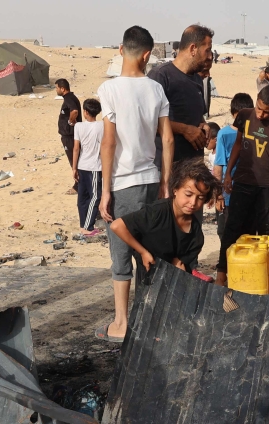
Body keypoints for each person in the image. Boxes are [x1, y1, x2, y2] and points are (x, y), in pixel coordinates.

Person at [97, 25, 174, 344]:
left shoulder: (109, 89)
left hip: (123, 184)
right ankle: (147, 318)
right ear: (146, 55)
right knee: (148, 250)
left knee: (120, 253)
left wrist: (104, 190)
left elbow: (109, 143)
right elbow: (167, 138)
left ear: (120, 50)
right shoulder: (156, 90)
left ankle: (121, 322)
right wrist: (166, 182)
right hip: (151, 180)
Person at [217, 85, 269, 286]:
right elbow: (238, 145)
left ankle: (262, 277)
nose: (261, 113)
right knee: (233, 228)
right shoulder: (245, 116)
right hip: (242, 182)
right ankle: (222, 274)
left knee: (264, 233)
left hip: (266, 186)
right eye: (259, 108)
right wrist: (228, 173)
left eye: (266, 111)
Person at [110, 157, 219, 279]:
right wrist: (143, 252)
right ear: (175, 190)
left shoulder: (196, 234)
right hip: (149, 273)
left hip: (170, 277)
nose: (193, 202)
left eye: (200, 198)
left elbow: (183, 260)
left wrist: (179, 264)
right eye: (188, 194)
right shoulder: (157, 212)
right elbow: (117, 226)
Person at [149, 25, 212, 166]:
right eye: (207, 50)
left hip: (192, 167)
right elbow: (148, 121)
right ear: (193, 49)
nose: (209, 56)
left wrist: (203, 125)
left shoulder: (197, 79)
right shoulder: (160, 76)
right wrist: (185, 130)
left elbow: (195, 115)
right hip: (167, 167)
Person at [212, 92, 254, 235]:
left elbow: (218, 168)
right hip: (229, 194)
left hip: (245, 193)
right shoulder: (225, 134)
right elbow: (218, 167)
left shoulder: (253, 134)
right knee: (230, 232)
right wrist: (218, 195)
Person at [72, 98, 104, 234]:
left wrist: (74, 167)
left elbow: (76, 148)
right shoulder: (101, 126)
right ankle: (88, 226)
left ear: (85, 112)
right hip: (94, 166)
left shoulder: (78, 126)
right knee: (95, 196)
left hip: (82, 165)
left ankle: (82, 225)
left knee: (83, 197)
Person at [56, 79, 81, 193]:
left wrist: (71, 122)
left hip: (70, 136)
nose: (56, 90)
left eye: (57, 88)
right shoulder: (70, 98)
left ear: (62, 88)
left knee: (74, 161)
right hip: (69, 135)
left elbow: (74, 111)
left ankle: (78, 186)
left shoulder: (69, 98)